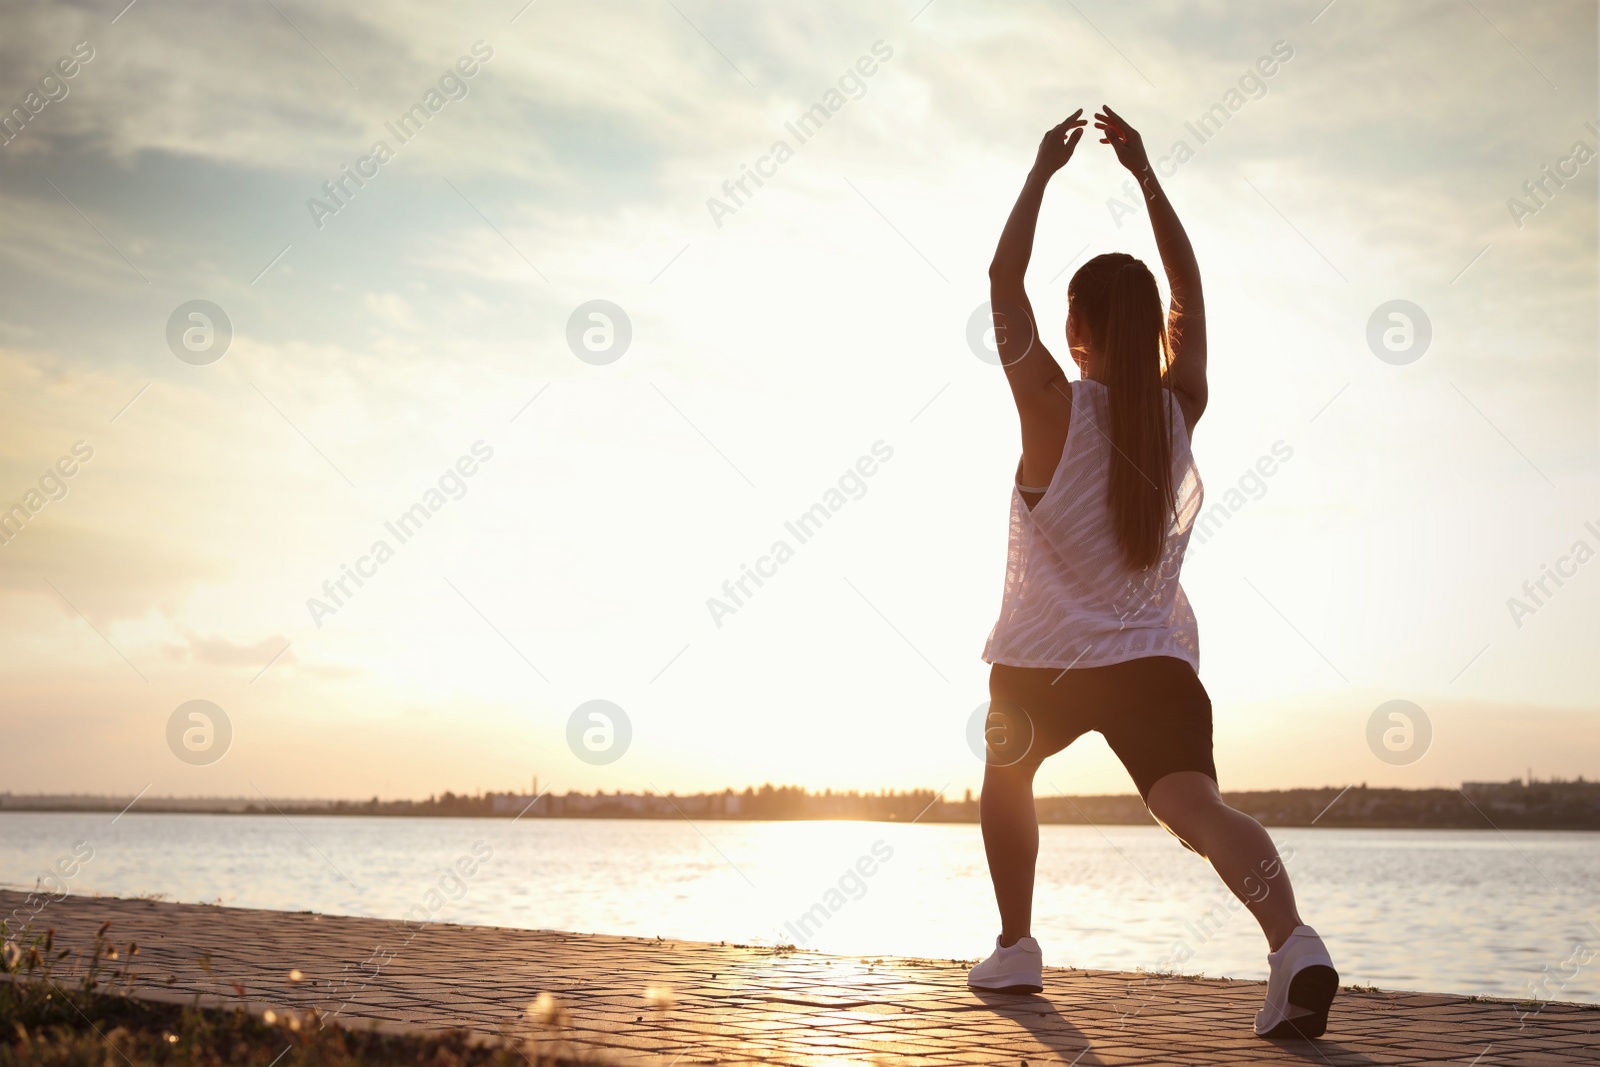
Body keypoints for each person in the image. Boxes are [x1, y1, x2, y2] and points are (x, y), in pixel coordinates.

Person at [966, 105, 1338, 1040]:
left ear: (1077, 329)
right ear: (1151, 335)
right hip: (1153, 664)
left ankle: (1016, 946)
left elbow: (1000, 279)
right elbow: (1192, 292)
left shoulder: (1049, 404)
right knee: (1195, 807)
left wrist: (1040, 175)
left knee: (1007, 776)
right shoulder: (1182, 408)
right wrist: (1145, 176)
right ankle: (1293, 943)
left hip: (1044, 659)